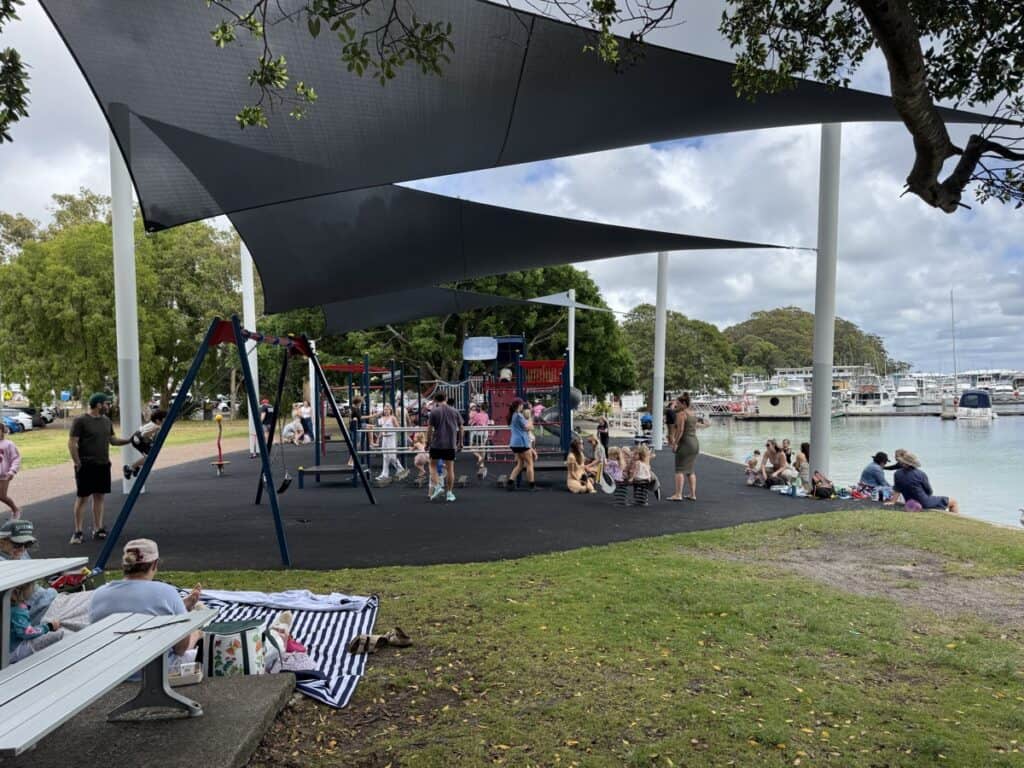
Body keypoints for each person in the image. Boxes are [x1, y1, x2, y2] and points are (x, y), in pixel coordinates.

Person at [90, 539, 204, 667]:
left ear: (124, 565)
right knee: (200, 639)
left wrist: (180, 606)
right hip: (155, 671)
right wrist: (196, 633)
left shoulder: (98, 595)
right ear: (154, 564)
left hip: (108, 669)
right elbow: (180, 649)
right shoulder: (166, 593)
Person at [0, 519, 94, 630]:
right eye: (17, 544)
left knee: (96, 599)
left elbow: (40, 574)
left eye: (27, 544)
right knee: (94, 609)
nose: (22, 549)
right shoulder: (4, 563)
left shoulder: (16, 552)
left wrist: (69, 574)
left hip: (52, 599)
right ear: (1, 542)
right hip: (42, 613)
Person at [68, 393, 132, 544]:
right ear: (98, 405)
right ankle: (78, 532)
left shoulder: (106, 421)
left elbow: (113, 440)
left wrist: (130, 440)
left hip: (103, 464)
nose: (108, 406)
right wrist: (77, 462)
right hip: (86, 465)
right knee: (83, 498)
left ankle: (98, 529)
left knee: (99, 497)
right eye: (106, 403)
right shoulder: (80, 420)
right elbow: (72, 442)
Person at [9, 582, 63, 663]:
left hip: (12, 642)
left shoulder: (10, 606)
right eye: (31, 587)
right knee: (54, 636)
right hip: (12, 650)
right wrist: (49, 626)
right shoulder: (17, 612)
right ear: (17, 592)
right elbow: (28, 633)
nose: (33, 589)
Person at [893, 451, 960, 513]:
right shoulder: (920, 474)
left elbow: (897, 490)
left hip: (909, 500)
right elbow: (929, 491)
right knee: (954, 502)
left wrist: (892, 501)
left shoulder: (897, 474)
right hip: (924, 502)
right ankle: (956, 520)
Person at [667, 394, 706, 501]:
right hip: (694, 443)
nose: (676, 405)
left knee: (679, 469)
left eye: (678, 404)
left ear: (684, 403)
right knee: (690, 470)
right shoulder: (692, 414)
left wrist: (675, 443)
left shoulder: (681, 414)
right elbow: (694, 427)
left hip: (685, 443)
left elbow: (680, 430)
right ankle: (693, 494)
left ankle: (678, 494)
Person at [425, 391, 463, 502]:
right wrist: (460, 442)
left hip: (437, 444)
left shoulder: (434, 411)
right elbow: (461, 427)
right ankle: (449, 493)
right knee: (450, 469)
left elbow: (429, 429)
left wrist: (427, 443)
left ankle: (438, 487)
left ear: (435, 400)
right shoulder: (454, 411)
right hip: (450, 444)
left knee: (432, 466)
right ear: (446, 398)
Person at [123, 409, 166, 480]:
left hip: (138, 438)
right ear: (158, 420)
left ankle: (136, 467)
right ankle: (130, 468)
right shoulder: (155, 426)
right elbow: (144, 434)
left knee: (149, 457)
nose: (165, 421)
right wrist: (155, 430)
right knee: (149, 458)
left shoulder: (154, 424)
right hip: (138, 439)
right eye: (164, 419)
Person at [506, 398, 536, 492]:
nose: (523, 406)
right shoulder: (518, 415)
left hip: (515, 443)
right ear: (519, 406)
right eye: (522, 404)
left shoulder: (513, 415)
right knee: (530, 464)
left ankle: (510, 482)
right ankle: (531, 485)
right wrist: (530, 416)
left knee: (520, 464)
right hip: (522, 443)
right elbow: (528, 427)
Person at [375, 404, 407, 481]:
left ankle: (400, 469)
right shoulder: (382, 418)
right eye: (385, 409)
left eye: (387, 409)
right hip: (384, 438)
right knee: (385, 456)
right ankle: (385, 474)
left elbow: (398, 428)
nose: (386, 411)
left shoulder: (393, 418)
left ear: (390, 410)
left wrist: (391, 430)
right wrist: (378, 438)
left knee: (392, 455)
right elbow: (381, 429)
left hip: (391, 438)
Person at [0, 420, 22, 519]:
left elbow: (16, 458)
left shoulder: (8, 444)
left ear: (2, 431)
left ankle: (15, 509)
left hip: (4, 475)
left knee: (2, 496)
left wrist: (12, 471)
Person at [466, 403, 491, 479]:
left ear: (480, 408)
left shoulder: (477, 415)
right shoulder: (486, 415)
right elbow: (487, 423)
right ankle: (482, 464)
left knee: (471, 447)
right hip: (485, 433)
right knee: (482, 448)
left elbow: (471, 423)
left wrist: (471, 420)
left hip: (477, 434)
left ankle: (479, 457)